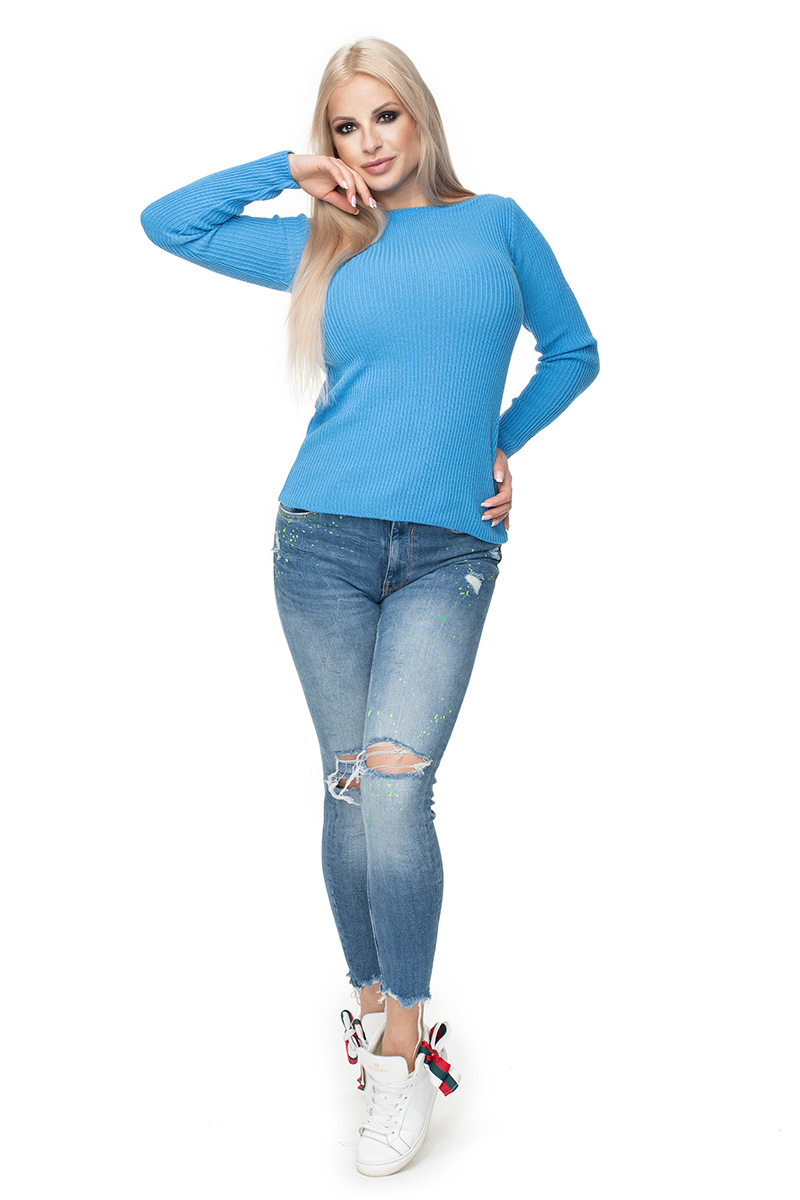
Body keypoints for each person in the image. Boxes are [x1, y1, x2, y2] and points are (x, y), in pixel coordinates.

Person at [140, 35, 599, 1177]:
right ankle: (369, 1007)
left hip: (450, 548)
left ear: (420, 117)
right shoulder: (327, 239)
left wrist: (501, 441)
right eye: (345, 126)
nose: (368, 142)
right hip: (320, 544)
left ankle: (405, 1043)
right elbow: (169, 222)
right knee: (348, 787)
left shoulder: (496, 225)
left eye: (382, 117)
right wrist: (288, 169)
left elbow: (574, 351)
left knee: (396, 788)